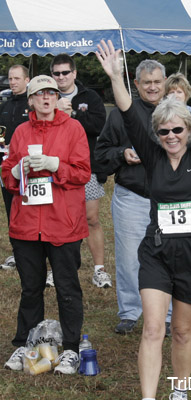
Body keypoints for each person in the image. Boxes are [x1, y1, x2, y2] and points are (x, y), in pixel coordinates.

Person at [96, 38, 191, 400]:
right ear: (156, 135)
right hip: (157, 253)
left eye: (178, 130)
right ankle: (147, 397)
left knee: (182, 333)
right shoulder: (153, 155)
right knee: (153, 329)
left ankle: (180, 391)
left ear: (189, 131)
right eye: (164, 131)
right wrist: (115, 77)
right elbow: (128, 113)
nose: (171, 136)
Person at [2, 75, 91, 374]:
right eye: (39, 94)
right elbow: (7, 176)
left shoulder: (74, 128)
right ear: (30, 100)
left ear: (57, 97)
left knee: (67, 288)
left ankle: (71, 349)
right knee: (30, 289)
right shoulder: (20, 132)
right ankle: (24, 344)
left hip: (62, 223)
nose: (46, 98)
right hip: (26, 224)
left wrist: (56, 166)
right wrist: (14, 170)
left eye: (51, 93)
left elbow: (83, 173)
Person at [95, 58, 173, 335]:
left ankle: (169, 313)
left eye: (157, 81)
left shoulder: (178, 112)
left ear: (165, 82)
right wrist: (121, 154)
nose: (152, 87)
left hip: (170, 199)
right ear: (136, 84)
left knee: (170, 255)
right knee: (130, 258)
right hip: (132, 196)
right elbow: (100, 154)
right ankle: (130, 311)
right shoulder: (119, 115)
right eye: (146, 82)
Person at [48, 53, 111, 289]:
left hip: (87, 167)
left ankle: (99, 270)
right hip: (54, 167)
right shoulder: (46, 96)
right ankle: (57, 269)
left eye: (66, 72)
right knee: (57, 218)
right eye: (57, 73)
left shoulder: (89, 97)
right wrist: (56, 111)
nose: (62, 77)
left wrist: (72, 113)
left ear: (74, 73)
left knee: (91, 218)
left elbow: (98, 125)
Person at [0, 65, 30, 270]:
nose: (13, 82)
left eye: (17, 78)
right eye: (10, 78)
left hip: (28, 166)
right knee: (10, 208)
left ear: (27, 80)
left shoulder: (33, 104)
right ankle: (17, 253)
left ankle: (33, 253)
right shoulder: (5, 103)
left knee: (27, 209)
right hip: (6, 165)